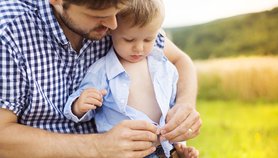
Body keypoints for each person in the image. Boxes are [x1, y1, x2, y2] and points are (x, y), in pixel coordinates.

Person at [0, 0, 201, 157]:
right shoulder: (9, 31)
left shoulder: (119, 19)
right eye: (100, 15)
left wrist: (185, 105)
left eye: (117, 11)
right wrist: (98, 146)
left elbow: (180, 60)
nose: (113, 24)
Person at [63, 0, 199, 157]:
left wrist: (181, 123)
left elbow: (172, 101)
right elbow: (83, 102)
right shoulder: (102, 70)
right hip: (127, 151)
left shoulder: (161, 63)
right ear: (110, 30)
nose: (139, 48)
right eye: (129, 40)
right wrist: (79, 106)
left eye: (148, 40)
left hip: (166, 146)